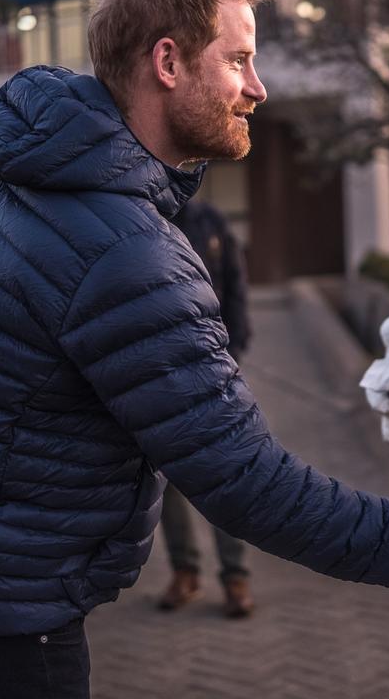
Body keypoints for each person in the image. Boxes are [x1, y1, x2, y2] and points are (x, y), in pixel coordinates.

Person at [0, 0, 389, 698]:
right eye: (239, 60)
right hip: (10, 620)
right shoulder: (128, 254)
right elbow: (246, 482)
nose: (258, 88)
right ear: (168, 61)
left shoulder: (5, 170)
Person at [158, 200, 253, 617]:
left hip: (215, 371)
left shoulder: (211, 220)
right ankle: (185, 571)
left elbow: (235, 286)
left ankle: (235, 577)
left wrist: (233, 354)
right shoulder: (139, 212)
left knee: (224, 473)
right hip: (156, 375)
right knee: (168, 480)